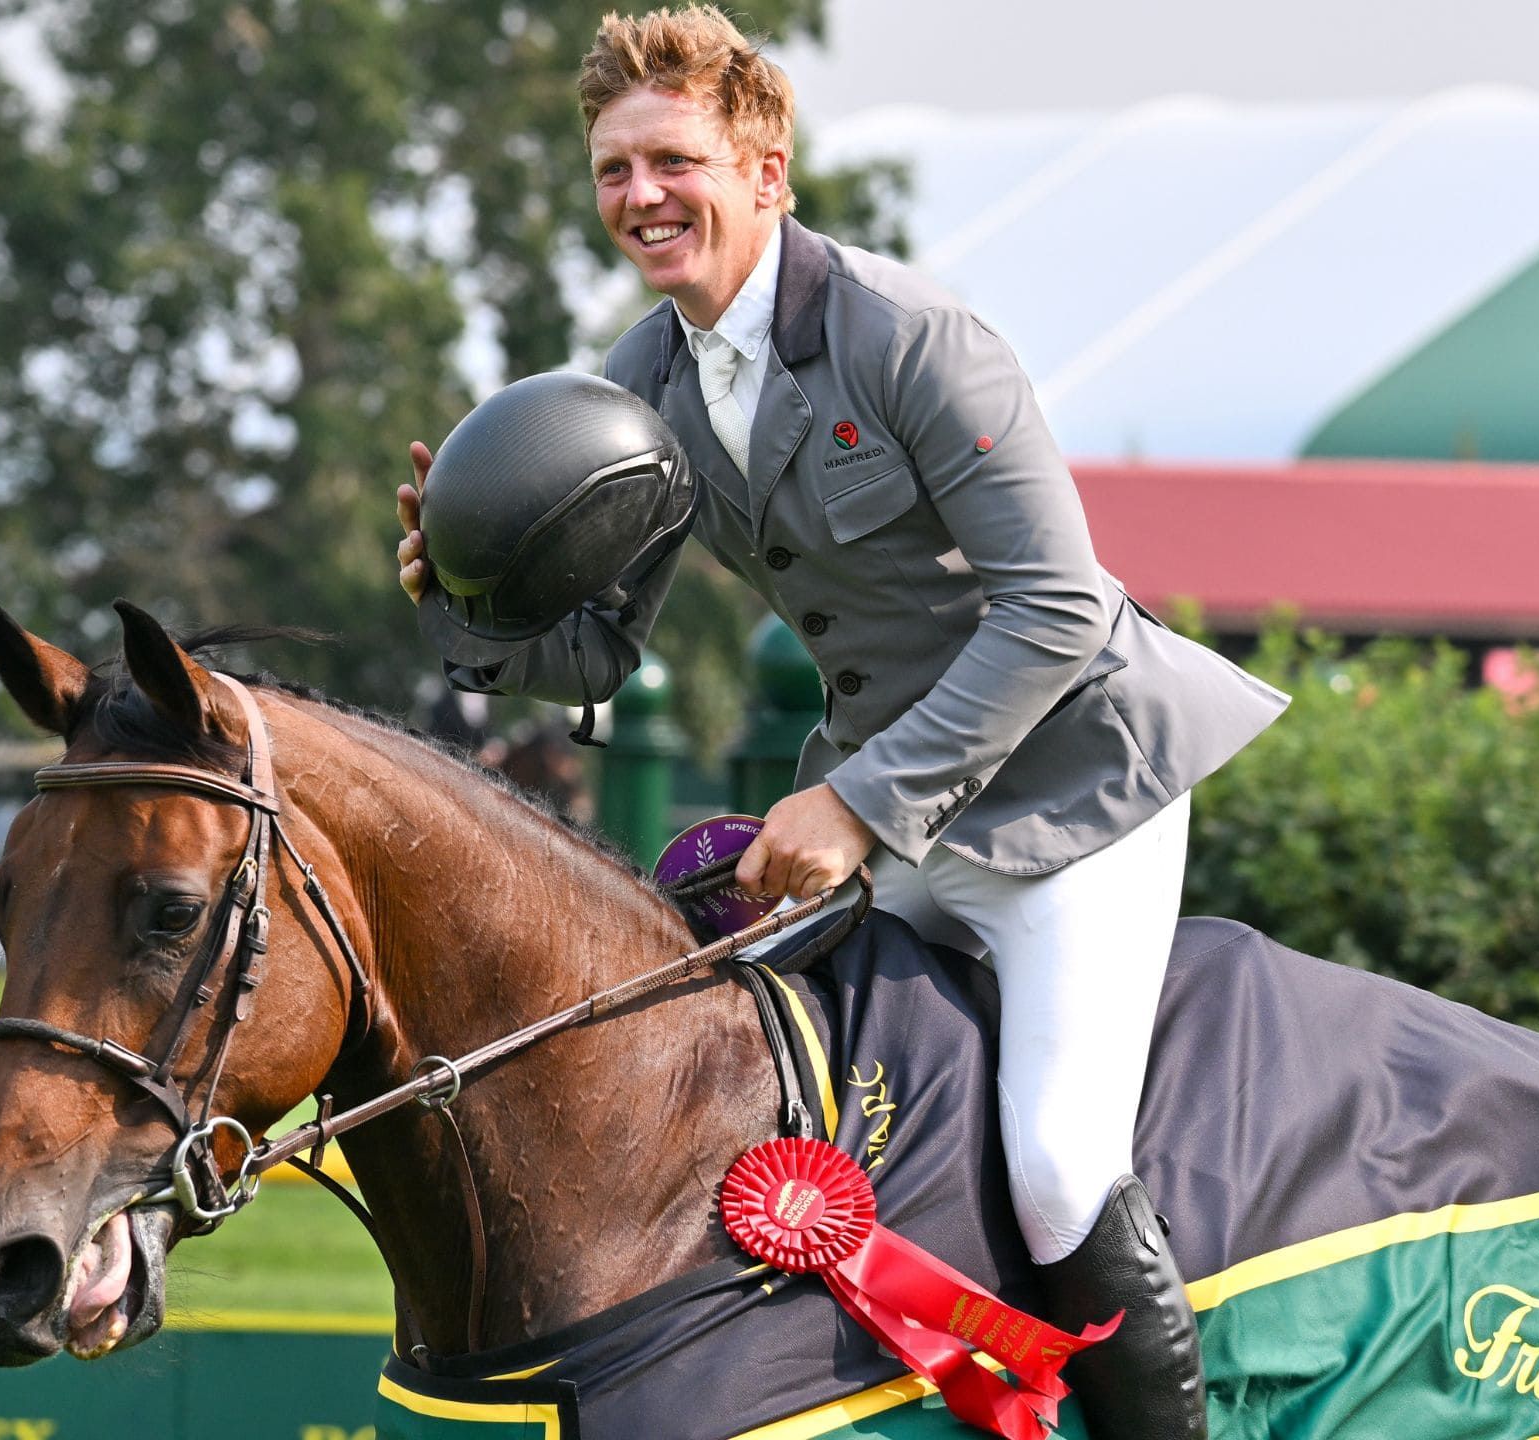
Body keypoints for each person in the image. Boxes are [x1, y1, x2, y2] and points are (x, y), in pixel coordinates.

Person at [392, 10, 1286, 1436]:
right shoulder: (642, 383)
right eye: (615, 169)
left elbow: (1057, 609)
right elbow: (598, 653)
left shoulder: (914, 337)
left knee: (1056, 1165)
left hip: (1077, 794)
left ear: (766, 169)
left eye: (673, 159)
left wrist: (861, 808)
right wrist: (466, 606)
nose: (640, 197)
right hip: (883, 810)